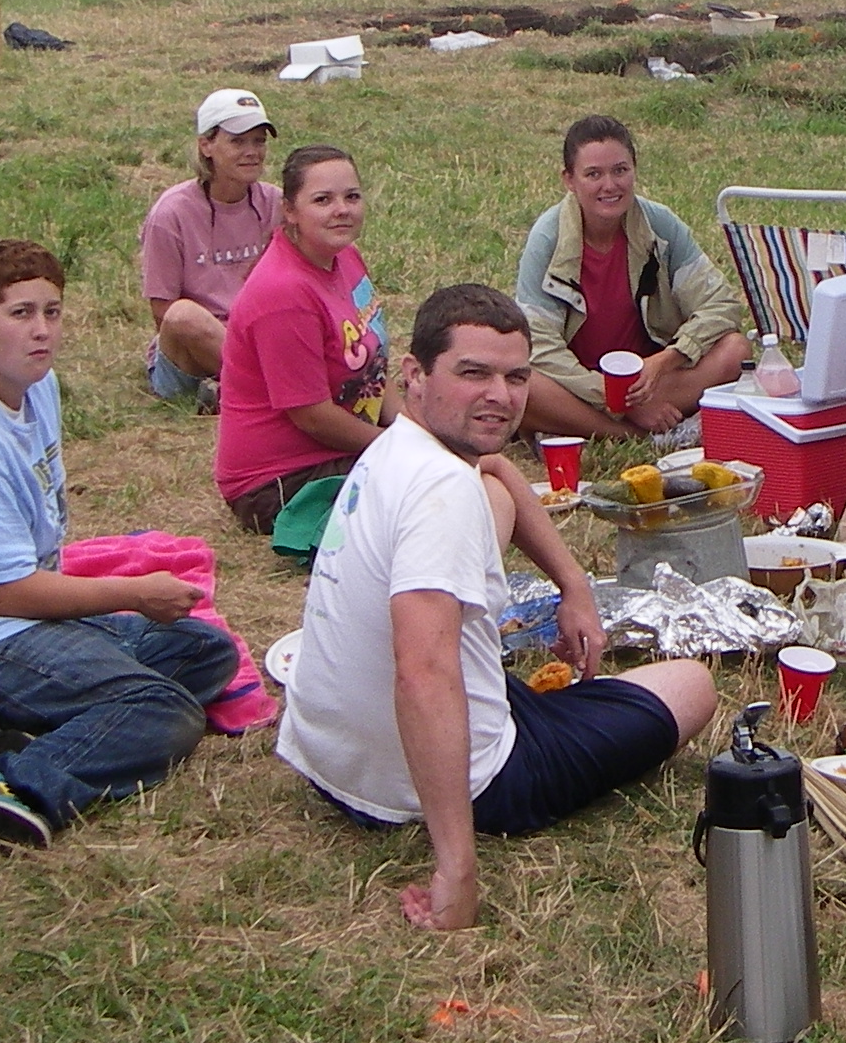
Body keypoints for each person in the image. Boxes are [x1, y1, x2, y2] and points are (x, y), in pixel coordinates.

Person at [276, 284, 717, 929]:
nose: (499, 396)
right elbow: (421, 672)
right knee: (692, 684)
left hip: (331, 762)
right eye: (472, 373)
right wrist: (456, 868)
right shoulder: (440, 496)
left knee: (492, 497)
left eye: (516, 377)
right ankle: (475, 806)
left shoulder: (398, 445)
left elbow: (498, 471)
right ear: (415, 375)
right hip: (461, 782)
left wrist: (574, 584)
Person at [0, 239, 238, 850]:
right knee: (162, 711)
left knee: (203, 652)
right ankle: (4, 786)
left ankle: (33, 724)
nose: (42, 331)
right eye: (21, 314)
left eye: (52, 312)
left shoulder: (36, 386)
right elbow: (1, 595)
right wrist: (134, 592)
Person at [514, 115, 751, 439]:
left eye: (620, 170)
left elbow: (721, 305)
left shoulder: (660, 225)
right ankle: (632, 433)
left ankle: (593, 428)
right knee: (521, 383)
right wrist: (616, 400)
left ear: (634, 171)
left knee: (735, 350)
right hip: (578, 384)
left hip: (650, 381)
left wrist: (666, 360)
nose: (610, 185)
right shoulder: (548, 237)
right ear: (569, 180)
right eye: (593, 174)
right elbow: (538, 345)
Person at [215, 144, 390, 535]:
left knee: (472, 464)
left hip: (341, 451)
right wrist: (395, 448)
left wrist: (413, 430)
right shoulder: (284, 293)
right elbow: (312, 416)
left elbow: (373, 370)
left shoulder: (346, 258)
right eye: (323, 200)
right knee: (439, 487)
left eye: (352, 196)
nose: (341, 209)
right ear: (290, 211)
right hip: (281, 482)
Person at [140, 88, 281, 410]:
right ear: (206, 146)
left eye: (259, 141)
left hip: (258, 340)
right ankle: (272, 390)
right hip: (191, 356)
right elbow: (163, 312)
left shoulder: (275, 203)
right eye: (238, 141)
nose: (252, 152)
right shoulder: (171, 214)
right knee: (183, 315)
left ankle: (237, 391)